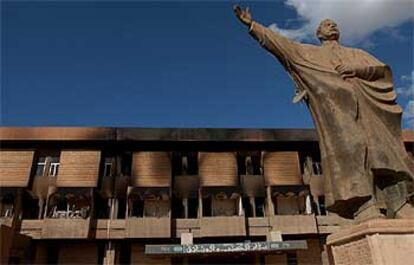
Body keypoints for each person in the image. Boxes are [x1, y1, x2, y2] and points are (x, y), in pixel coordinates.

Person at [234, 6, 414, 219]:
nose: (332, 25)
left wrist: (357, 70)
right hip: (339, 116)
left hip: (368, 110)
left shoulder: (357, 54)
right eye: (326, 24)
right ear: (318, 34)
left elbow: (381, 71)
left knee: (383, 154)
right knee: (352, 154)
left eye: (334, 23)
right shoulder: (311, 54)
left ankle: (398, 202)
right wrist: (253, 26)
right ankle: (365, 205)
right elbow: (283, 46)